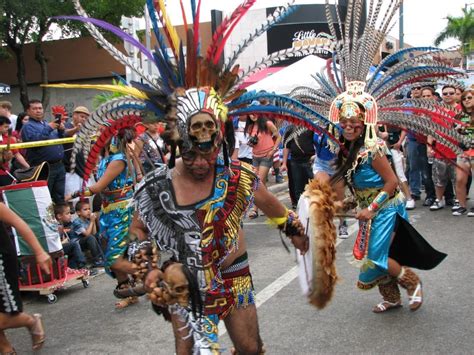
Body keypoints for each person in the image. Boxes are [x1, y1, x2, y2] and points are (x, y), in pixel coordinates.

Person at [131, 88, 307, 354]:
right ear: (178, 147)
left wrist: (295, 230)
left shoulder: (238, 176)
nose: (201, 162)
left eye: (209, 154)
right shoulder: (156, 185)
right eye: (191, 155)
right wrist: (147, 268)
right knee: (188, 352)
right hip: (184, 281)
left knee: (249, 348)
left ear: (220, 145)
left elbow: (271, 204)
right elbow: (137, 228)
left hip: (233, 275)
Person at [329, 85, 446, 314]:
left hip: (386, 207)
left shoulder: (374, 148)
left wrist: (371, 208)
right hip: (369, 208)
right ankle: (392, 298)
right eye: (344, 122)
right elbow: (358, 183)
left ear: (365, 123)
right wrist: (345, 204)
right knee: (381, 256)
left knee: (376, 257)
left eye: (354, 122)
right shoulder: (346, 148)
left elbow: (391, 181)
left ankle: (412, 282)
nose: (348, 127)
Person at [70, 127, 139, 309]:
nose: (97, 138)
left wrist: (73, 195)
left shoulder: (118, 160)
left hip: (122, 212)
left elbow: (97, 188)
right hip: (108, 211)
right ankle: (128, 292)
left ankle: (152, 276)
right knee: (114, 256)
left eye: (102, 134)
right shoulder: (105, 160)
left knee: (113, 257)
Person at [0, 202, 51, 354]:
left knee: (4, 318)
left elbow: (18, 222)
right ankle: (7, 351)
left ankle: (31, 321)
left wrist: (39, 252)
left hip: (1, 262)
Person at [21, 100, 66, 203]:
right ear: (28, 111)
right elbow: (35, 142)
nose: (38, 111)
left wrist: (60, 130)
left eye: (40, 108)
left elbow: (58, 139)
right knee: (45, 198)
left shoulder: (46, 123)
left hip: (59, 165)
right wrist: (49, 128)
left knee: (60, 198)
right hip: (44, 168)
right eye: (34, 108)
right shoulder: (27, 126)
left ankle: (60, 218)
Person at [244, 108, 282, 219]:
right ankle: (270, 206)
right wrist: (251, 143)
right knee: (262, 184)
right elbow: (254, 142)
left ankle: (255, 209)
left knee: (258, 181)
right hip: (255, 156)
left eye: (255, 112)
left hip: (267, 156)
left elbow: (278, 136)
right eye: (250, 113)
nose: (253, 115)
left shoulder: (267, 123)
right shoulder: (250, 127)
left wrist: (273, 151)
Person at [453, 89, 474, 216]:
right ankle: (462, 206)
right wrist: (458, 130)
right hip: (463, 151)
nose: (467, 100)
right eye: (464, 98)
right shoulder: (459, 116)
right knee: (460, 179)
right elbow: (453, 134)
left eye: (469, 98)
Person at [64, 106, 90, 197]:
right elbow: (64, 134)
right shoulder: (66, 126)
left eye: (86, 118)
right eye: (82, 116)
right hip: (70, 169)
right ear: (74, 115)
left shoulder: (86, 130)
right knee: (71, 197)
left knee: (85, 196)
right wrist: (75, 129)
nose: (84, 119)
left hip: (83, 168)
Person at [70, 200, 104, 267]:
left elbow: (94, 233)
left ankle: (103, 257)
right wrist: (91, 221)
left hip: (86, 240)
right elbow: (87, 234)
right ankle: (97, 260)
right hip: (77, 244)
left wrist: (93, 221)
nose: (88, 211)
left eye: (89, 209)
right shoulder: (76, 222)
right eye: (85, 209)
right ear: (78, 212)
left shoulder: (87, 220)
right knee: (90, 237)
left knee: (98, 235)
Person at [53, 202, 87, 269]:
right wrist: (64, 242)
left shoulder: (61, 225)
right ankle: (82, 266)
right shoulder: (56, 227)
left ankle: (73, 267)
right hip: (56, 250)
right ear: (59, 216)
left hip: (61, 248)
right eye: (67, 213)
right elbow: (55, 244)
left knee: (74, 244)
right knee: (74, 244)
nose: (70, 215)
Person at [0, 116, 29, 186]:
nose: (8, 129)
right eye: (5, 127)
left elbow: (17, 155)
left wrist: (28, 167)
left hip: (4, 172)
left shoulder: (9, 139)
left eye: (8, 127)